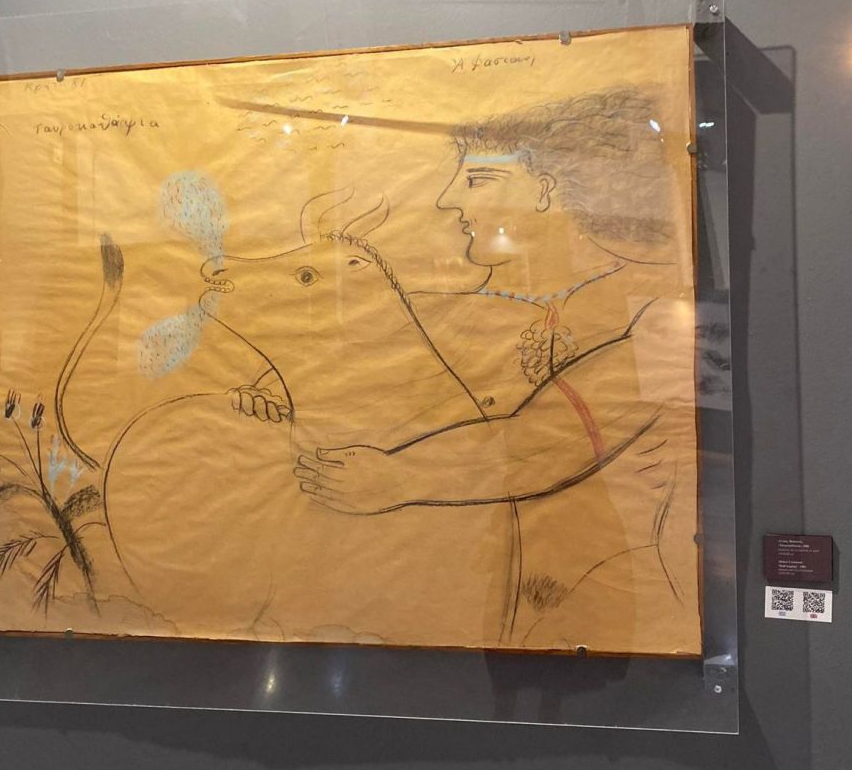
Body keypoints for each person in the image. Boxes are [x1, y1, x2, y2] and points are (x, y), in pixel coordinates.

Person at [286, 89, 701, 652]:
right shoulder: (452, 310)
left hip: (602, 613)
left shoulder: (661, 311)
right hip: (479, 604)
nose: (448, 199)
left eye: (478, 180)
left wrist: (400, 477)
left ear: (547, 191)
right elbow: (362, 353)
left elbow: (546, 441)